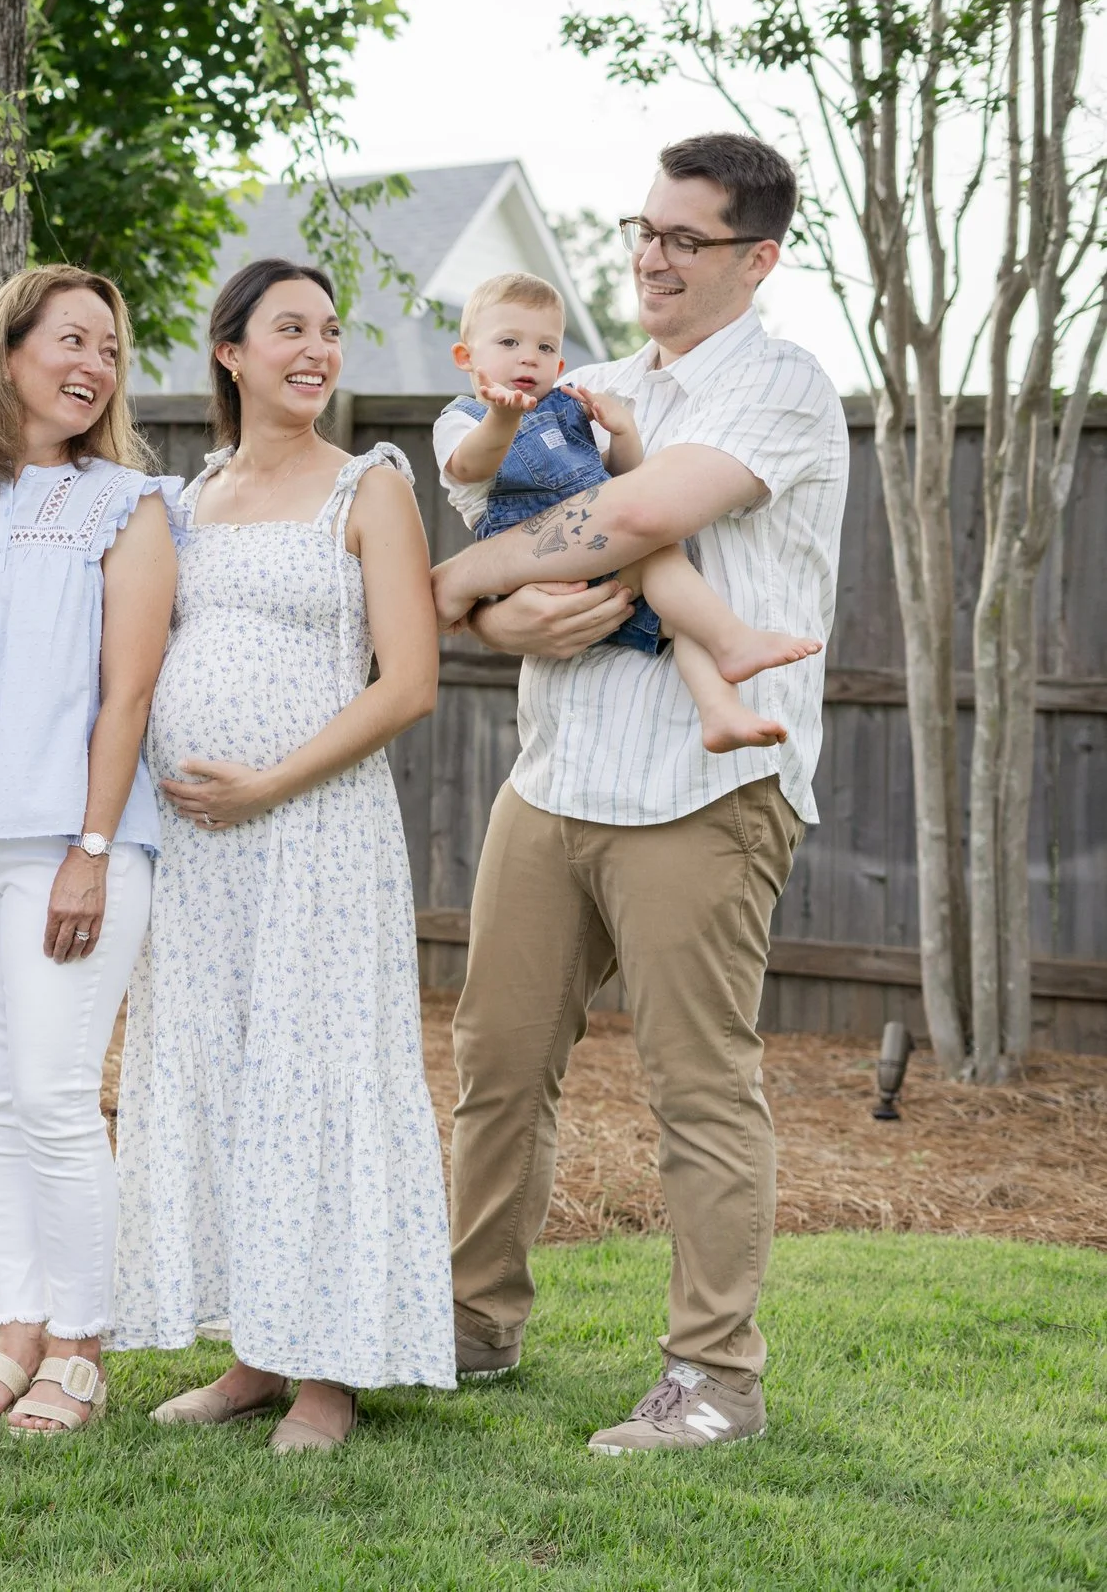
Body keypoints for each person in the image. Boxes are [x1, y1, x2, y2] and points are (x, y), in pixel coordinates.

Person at [429, 134, 849, 1453]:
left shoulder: (784, 390)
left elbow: (626, 519)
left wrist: (465, 584)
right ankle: (472, 1324)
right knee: (496, 1067)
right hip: (554, 778)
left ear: (758, 259)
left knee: (699, 1088)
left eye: (685, 238)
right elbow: (501, 553)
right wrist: (495, 619)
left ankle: (715, 1378)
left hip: (706, 785)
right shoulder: (584, 381)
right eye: (643, 228)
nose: (650, 256)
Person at [109, 257, 454, 1452]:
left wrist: (271, 780)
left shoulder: (369, 486)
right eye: (286, 329)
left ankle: (331, 1368)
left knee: (319, 1074)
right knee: (229, 1072)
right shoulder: (188, 494)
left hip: (315, 830)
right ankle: (254, 1353)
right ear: (230, 351)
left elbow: (408, 681)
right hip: (204, 856)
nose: (313, 349)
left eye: (327, 331)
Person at [0, 266, 175, 1435]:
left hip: (71, 842)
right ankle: (16, 1326)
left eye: (109, 349)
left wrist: (92, 846)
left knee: (59, 1095)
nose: (94, 366)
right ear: (6, 350)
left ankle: (80, 1345)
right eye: (71, 339)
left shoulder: (129, 502)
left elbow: (128, 695)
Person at [433, 272, 819, 753]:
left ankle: (719, 711)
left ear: (561, 361)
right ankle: (734, 641)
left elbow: (620, 482)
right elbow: (471, 465)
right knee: (659, 558)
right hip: (537, 558)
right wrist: (503, 418)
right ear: (465, 357)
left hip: (595, 549)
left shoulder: (568, 403)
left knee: (678, 614)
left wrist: (623, 435)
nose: (529, 356)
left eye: (546, 347)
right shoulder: (460, 419)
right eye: (509, 341)